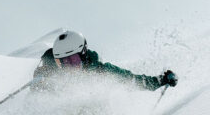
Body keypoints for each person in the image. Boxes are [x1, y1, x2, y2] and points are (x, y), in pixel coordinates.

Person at [32, 30, 177, 91]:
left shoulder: (101, 71)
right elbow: (36, 98)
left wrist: (160, 80)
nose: (71, 67)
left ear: (83, 54)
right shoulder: (51, 74)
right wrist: (40, 80)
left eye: (74, 60)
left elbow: (131, 80)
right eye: (64, 62)